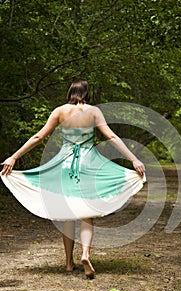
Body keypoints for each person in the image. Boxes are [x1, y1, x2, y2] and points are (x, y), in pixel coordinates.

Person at [1, 79, 145, 278]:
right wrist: (134, 159)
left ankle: (69, 263)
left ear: (70, 92)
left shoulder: (60, 111)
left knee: (67, 212)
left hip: (65, 165)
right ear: (87, 93)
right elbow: (111, 137)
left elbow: (38, 137)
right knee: (87, 213)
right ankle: (85, 253)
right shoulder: (94, 111)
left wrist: (14, 156)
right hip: (88, 165)